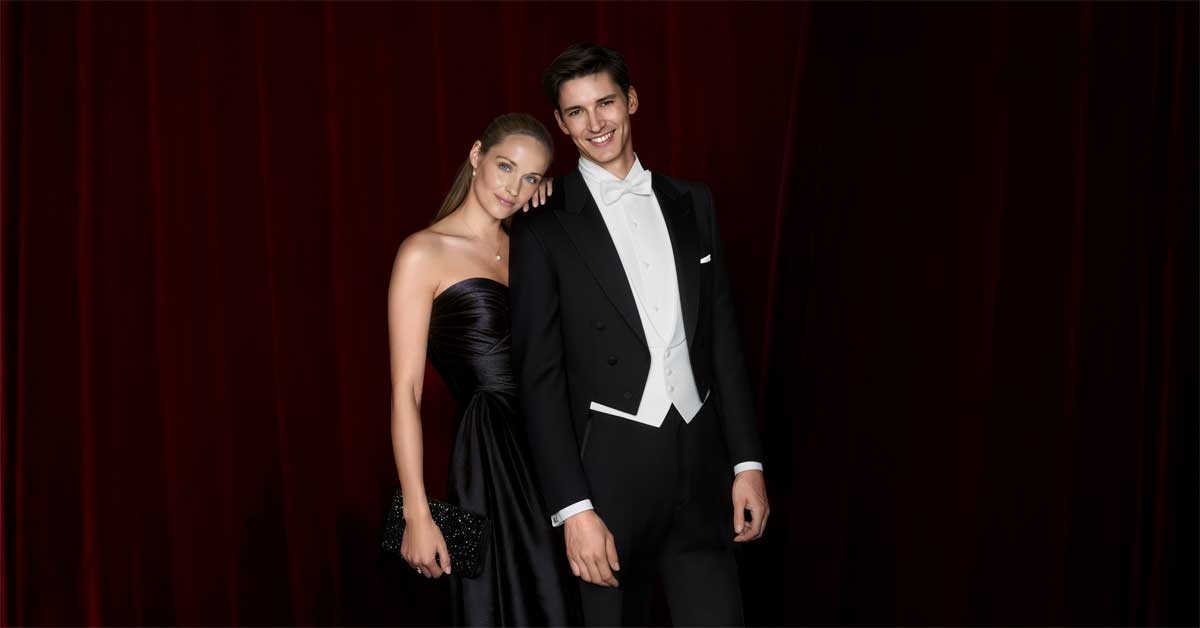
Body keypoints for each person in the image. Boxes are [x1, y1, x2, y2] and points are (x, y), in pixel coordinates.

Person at [509, 44, 770, 626]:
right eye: (576, 112)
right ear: (561, 122)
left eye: (605, 103)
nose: (595, 123)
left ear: (631, 101)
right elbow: (540, 381)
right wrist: (573, 510)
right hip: (608, 473)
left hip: (700, 459)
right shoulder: (541, 226)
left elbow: (722, 339)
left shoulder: (693, 202)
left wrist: (746, 463)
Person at [387, 113, 574, 626]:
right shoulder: (423, 252)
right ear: (476, 156)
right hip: (488, 451)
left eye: (531, 178)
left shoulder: (532, 245)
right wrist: (417, 513)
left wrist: (560, 199)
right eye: (506, 167)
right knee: (505, 603)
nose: (514, 188)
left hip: (552, 442)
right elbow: (406, 393)